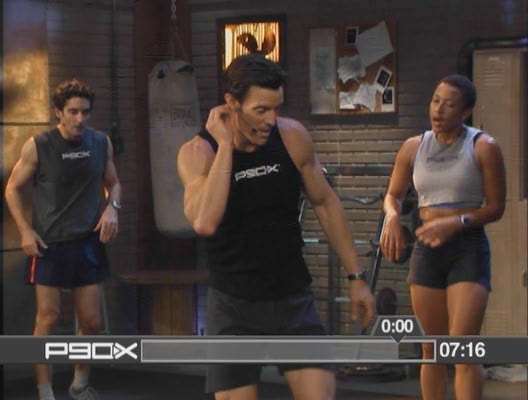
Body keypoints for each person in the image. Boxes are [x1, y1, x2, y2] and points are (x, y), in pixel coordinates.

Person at [177, 54, 376, 400]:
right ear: (231, 104)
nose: (271, 119)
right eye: (260, 110)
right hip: (234, 306)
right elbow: (205, 222)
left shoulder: (293, 137)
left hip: (291, 298)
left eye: (276, 108)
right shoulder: (199, 152)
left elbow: (325, 203)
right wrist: (225, 146)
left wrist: (356, 278)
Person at [380, 74, 506, 400]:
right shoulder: (413, 147)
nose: (438, 110)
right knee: (431, 348)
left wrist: (457, 222)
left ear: (465, 112)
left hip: (467, 247)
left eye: (449, 105)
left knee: (463, 348)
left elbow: (496, 207)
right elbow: (393, 195)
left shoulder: (484, 147)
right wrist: (392, 217)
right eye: (436, 101)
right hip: (427, 248)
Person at [5, 78, 122, 400]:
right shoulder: (39, 145)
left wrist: (112, 209)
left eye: (85, 112)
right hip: (50, 244)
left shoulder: (101, 143)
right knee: (49, 318)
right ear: (59, 112)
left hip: (88, 242)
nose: (79, 119)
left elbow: (114, 183)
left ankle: (79, 383)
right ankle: (45, 392)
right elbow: (12, 188)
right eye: (72, 112)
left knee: (92, 322)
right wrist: (25, 230)